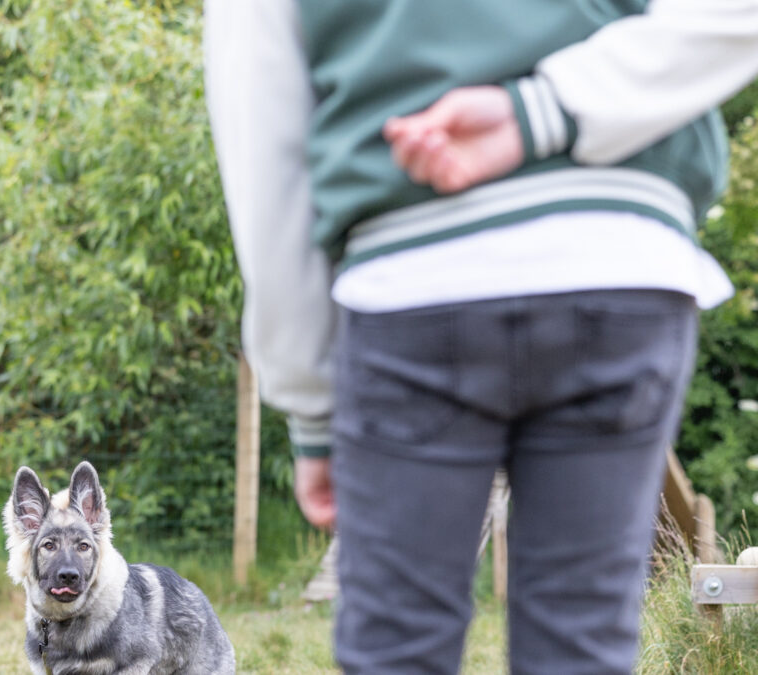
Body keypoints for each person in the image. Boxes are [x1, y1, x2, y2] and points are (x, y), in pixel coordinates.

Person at [204, 1, 758, 673]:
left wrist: (309, 400)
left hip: (412, 270)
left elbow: (263, 134)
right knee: (581, 645)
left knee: (397, 649)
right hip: (619, 261)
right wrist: (556, 105)